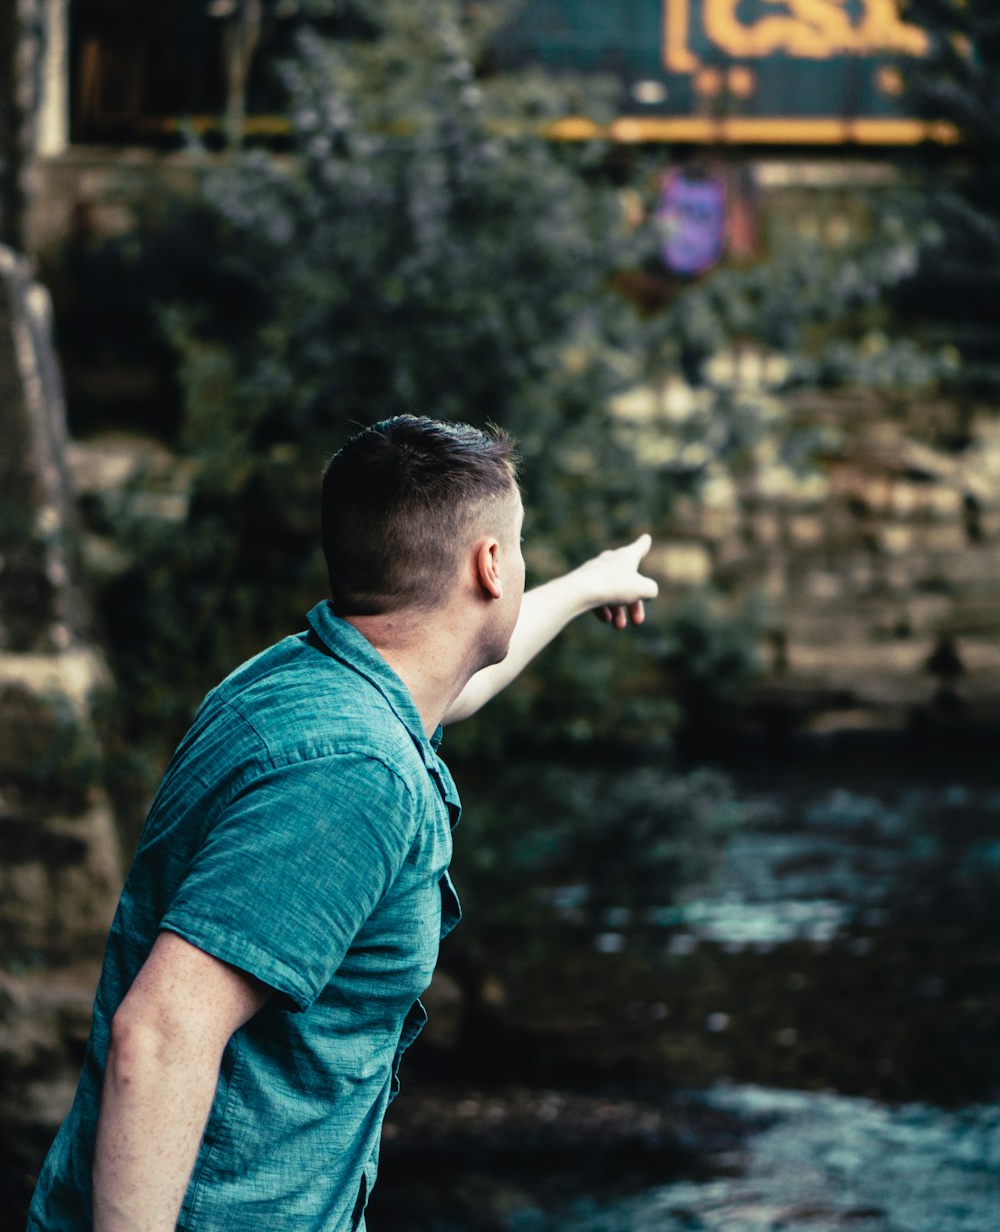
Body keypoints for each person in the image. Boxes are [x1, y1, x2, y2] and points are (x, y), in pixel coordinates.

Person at [27, 414, 658, 1232]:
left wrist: (582, 586)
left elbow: (451, 687)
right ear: (491, 564)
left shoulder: (314, 680)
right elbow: (160, 1034)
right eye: (522, 544)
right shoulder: (353, 774)